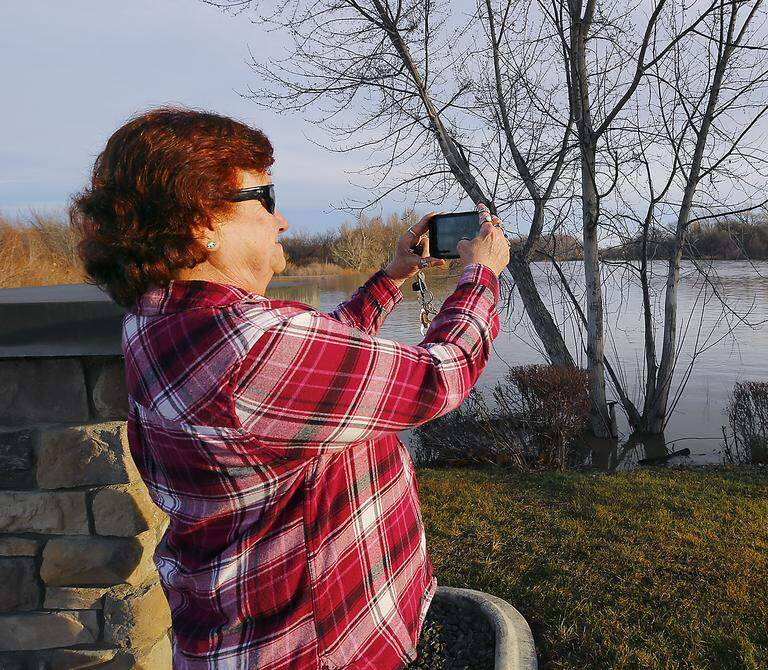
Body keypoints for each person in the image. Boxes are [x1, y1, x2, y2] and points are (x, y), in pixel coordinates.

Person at [71, 107, 510, 669]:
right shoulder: (251, 345)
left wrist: (391, 278)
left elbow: (317, 368)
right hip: (315, 648)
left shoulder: (159, 320)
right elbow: (441, 374)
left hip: (239, 637)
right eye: (265, 197)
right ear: (201, 222)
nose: (281, 221)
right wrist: (482, 274)